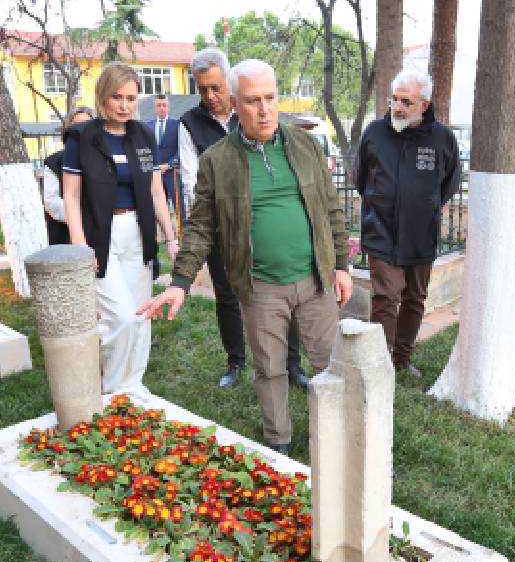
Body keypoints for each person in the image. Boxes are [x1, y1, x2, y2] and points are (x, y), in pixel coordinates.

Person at [140, 59, 352, 456]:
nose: (265, 109)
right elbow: (201, 226)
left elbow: (330, 208)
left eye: (270, 98)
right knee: (269, 369)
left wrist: (342, 264)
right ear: (235, 104)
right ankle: (280, 445)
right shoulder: (217, 161)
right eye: (254, 101)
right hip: (261, 286)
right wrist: (180, 282)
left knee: (329, 365)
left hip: (315, 278)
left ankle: (336, 439)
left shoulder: (305, 145)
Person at [177, 47, 308, 390]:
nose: (210, 96)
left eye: (216, 87)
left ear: (230, 85)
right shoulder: (189, 124)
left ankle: (292, 364)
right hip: (224, 228)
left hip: (265, 228)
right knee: (227, 296)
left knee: (283, 293)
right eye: (202, 88)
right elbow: (192, 182)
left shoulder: (252, 109)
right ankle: (236, 361)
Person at [62, 62, 179, 395]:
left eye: (131, 98)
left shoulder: (143, 134)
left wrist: (170, 237)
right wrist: (81, 245)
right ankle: (112, 388)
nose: (125, 105)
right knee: (121, 317)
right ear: (103, 96)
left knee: (141, 315)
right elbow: (71, 196)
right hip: (100, 234)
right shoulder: (82, 137)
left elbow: (157, 191)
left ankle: (134, 382)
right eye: (117, 97)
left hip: (138, 232)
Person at [355, 68, 461, 377]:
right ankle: (381, 360)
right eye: (394, 100)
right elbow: (361, 178)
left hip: (420, 234)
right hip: (382, 231)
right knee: (386, 297)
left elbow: (449, 183)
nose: (397, 107)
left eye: (406, 102)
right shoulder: (374, 133)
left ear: (424, 105)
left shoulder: (443, 138)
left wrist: (424, 207)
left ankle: (402, 358)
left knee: (415, 298)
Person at [42, 106, 94, 245]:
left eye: (87, 125)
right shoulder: (54, 162)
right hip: (65, 235)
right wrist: (81, 217)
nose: (81, 130)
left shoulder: (102, 159)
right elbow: (51, 202)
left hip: (99, 232)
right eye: (77, 125)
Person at [150, 94, 183, 226]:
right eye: (159, 105)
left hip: (172, 173)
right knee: (157, 206)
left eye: (164, 105)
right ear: (155, 108)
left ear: (168, 107)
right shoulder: (148, 126)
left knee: (178, 206)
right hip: (155, 174)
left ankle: (183, 234)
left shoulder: (177, 125)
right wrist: (156, 167)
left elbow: (181, 149)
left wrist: (168, 165)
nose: (162, 108)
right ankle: (162, 234)